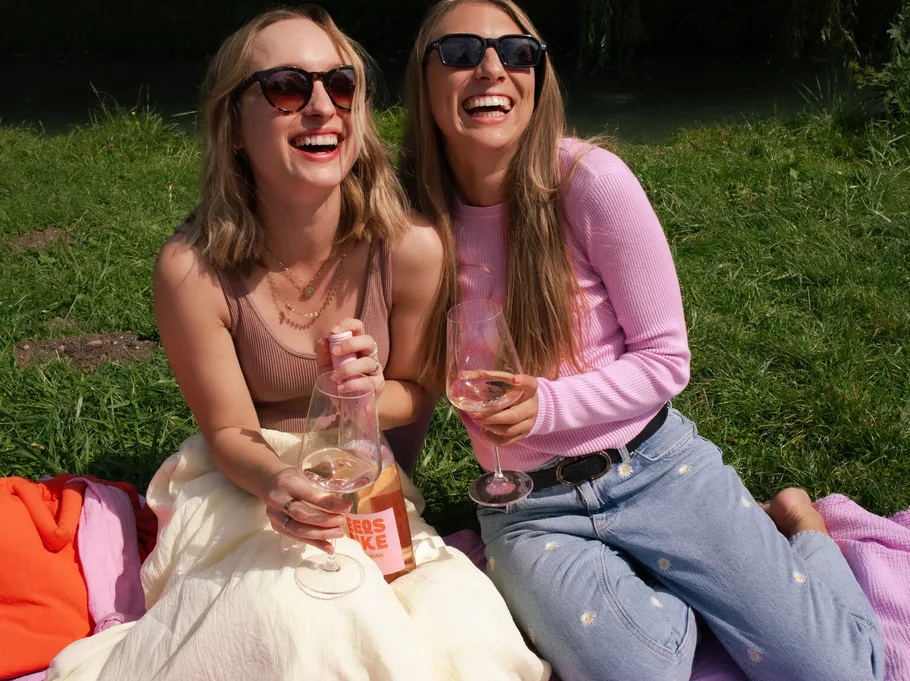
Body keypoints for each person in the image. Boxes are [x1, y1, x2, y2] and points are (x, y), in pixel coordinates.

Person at [400, 2, 884, 680]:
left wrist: (548, 407)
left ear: (538, 76)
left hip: (656, 469)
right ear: (422, 79)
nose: (491, 67)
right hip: (529, 506)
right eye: (459, 51)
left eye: (517, 51)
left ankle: (800, 524)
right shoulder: (412, 221)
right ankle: (690, 583)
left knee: (843, 672)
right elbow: (409, 375)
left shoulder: (590, 183)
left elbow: (666, 359)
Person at [154, 5, 443, 555]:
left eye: (341, 85)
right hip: (249, 482)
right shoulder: (193, 270)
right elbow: (228, 432)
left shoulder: (410, 248)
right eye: (286, 87)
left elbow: (418, 392)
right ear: (233, 126)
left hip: (367, 481)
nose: (322, 107)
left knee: (448, 605)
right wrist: (279, 484)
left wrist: (365, 397)